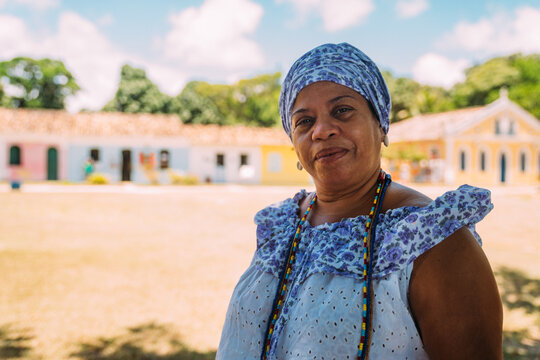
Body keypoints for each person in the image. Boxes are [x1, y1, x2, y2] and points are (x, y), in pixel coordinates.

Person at [217, 43, 502, 359]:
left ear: (380, 124)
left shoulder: (432, 240)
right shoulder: (281, 227)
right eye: (304, 121)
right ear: (293, 143)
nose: (322, 131)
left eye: (342, 110)